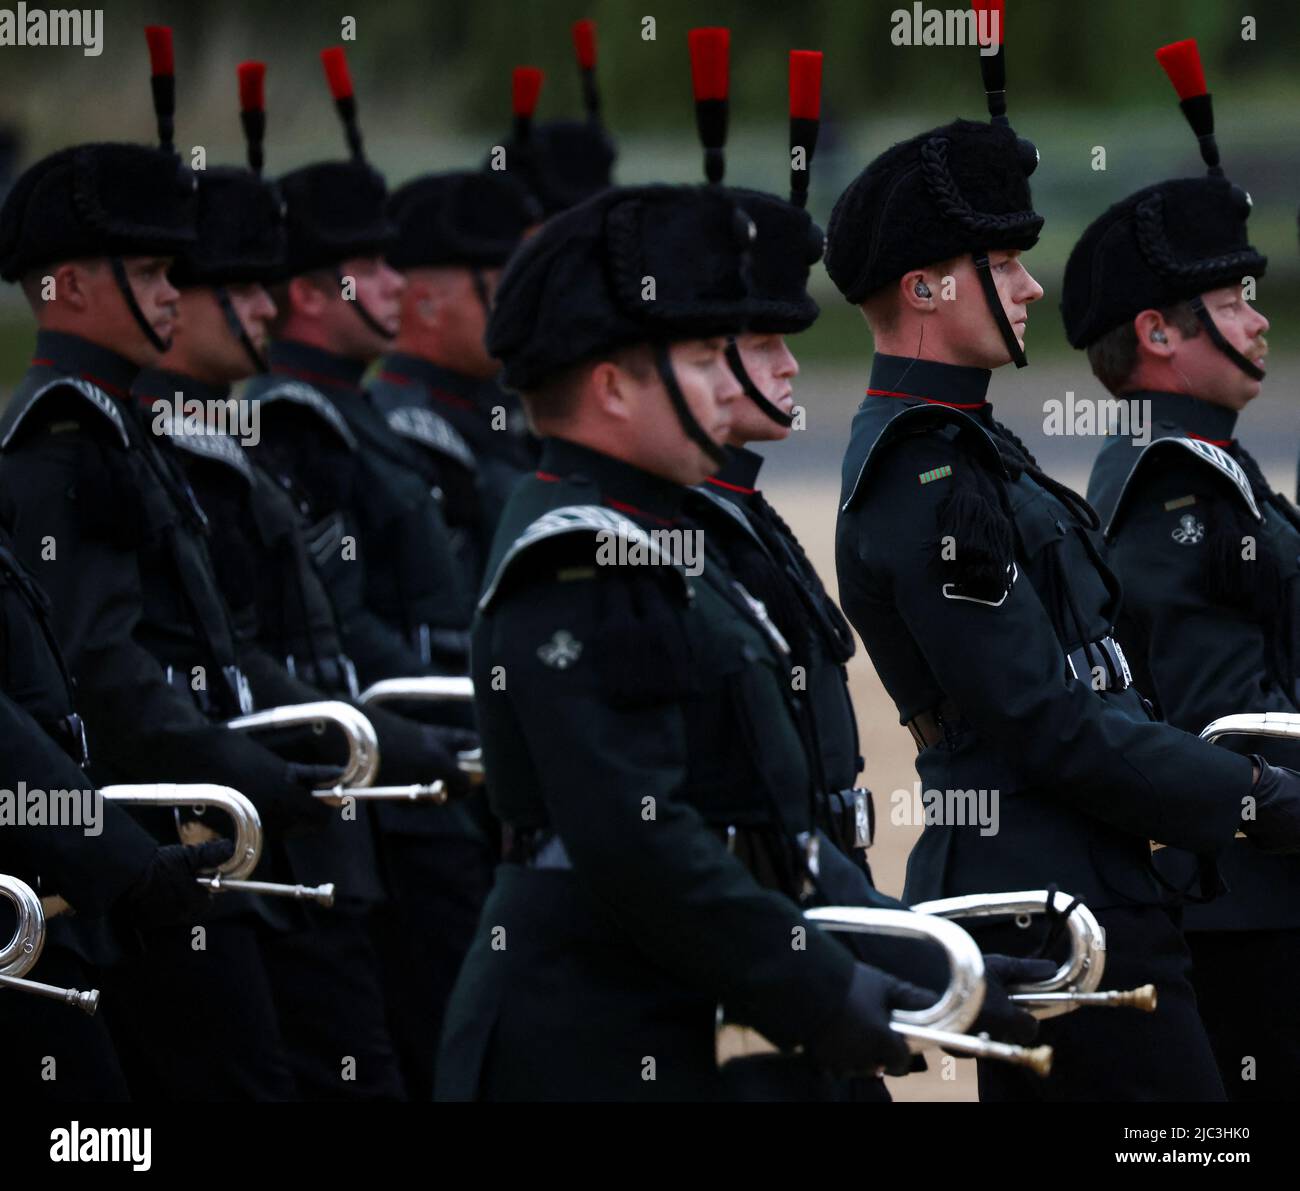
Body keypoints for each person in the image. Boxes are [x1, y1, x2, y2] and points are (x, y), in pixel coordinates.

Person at [434, 180, 1020, 1102]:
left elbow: (765, 822)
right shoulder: (582, 557)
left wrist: (923, 961)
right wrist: (824, 990)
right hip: (584, 1038)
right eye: (706, 356)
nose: (730, 383)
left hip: (668, 1001)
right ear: (613, 384)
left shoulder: (659, 537)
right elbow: (639, 841)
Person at [825, 36, 1300, 1101]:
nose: (1032, 287)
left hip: (1085, 879)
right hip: (1047, 895)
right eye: (1001, 266)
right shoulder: (925, 478)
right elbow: (1048, 722)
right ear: (926, 284)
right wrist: (1259, 796)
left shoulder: (977, 454)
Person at [1075, 38, 1300, 1101]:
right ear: (1159, 331)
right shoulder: (1176, 483)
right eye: (1233, 298)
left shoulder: (1214, 466)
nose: (1259, 317)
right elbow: (1228, 725)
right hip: (1250, 903)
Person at [368, 170, 540, 587]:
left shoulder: (502, 403)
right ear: (426, 306)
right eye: (501, 290)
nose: (519, 309)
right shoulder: (406, 431)